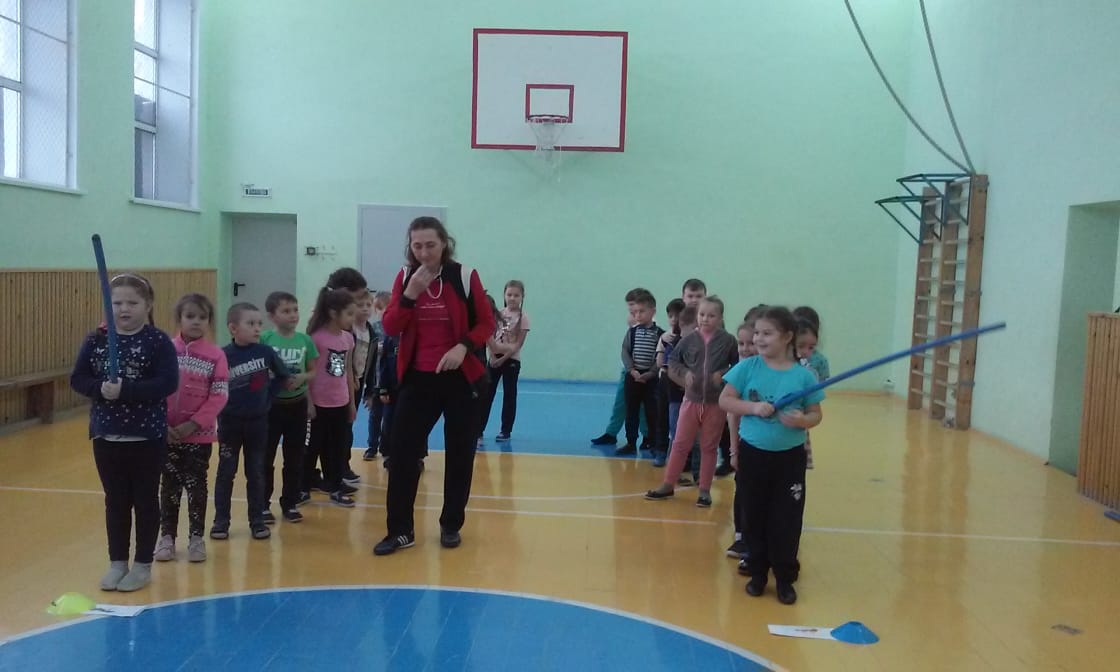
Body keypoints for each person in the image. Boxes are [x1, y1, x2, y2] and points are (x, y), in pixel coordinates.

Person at [374, 216, 496, 556]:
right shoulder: (405, 277)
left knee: (460, 454)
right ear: (410, 247)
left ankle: (451, 524)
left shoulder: (464, 276)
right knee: (401, 455)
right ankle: (400, 531)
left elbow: (486, 323)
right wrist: (410, 295)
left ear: (444, 243)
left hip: (461, 379)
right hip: (418, 379)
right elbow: (391, 326)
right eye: (417, 246)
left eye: (430, 244)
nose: (424, 252)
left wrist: (463, 347)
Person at [70, 273, 178, 592]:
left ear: (148, 305)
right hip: (107, 435)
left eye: (132, 302)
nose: (124, 309)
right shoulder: (96, 340)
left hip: (147, 437)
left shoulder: (157, 341)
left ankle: (142, 564)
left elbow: (167, 383)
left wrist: (126, 390)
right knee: (115, 501)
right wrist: (100, 388)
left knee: (145, 500)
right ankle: (117, 562)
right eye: (116, 303)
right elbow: (78, 378)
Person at [720, 306, 823, 605]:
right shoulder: (748, 368)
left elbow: (816, 414)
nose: (759, 339)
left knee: (786, 518)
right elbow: (725, 400)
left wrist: (802, 421)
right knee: (754, 515)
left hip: (789, 458)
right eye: (757, 333)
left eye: (767, 333)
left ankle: (784, 577)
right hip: (754, 455)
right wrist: (753, 407)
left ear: (787, 336)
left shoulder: (803, 376)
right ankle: (757, 572)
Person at [156, 294, 228, 564]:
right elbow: (154, 389)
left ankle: (196, 538)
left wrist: (193, 423)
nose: (196, 322)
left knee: (196, 485)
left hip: (199, 435)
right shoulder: (165, 350)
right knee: (169, 486)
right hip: (166, 435)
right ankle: (166, 538)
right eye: (190, 316)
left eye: (202, 317)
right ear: (179, 319)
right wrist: (162, 424)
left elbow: (219, 395)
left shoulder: (216, 355)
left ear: (209, 321)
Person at [645, 297, 737, 506]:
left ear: (720, 318)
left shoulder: (728, 341)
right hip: (691, 401)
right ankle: (668, 484)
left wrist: (724, 373)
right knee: (680, 443)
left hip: (715, 403)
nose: (705, 319)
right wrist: (684, 374)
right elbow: (672, 360)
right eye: (702, 314)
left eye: (711, 315)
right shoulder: (689, 339)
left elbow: (737, 366)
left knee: (709, 447)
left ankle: (704, 490)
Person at [212, 303, 291, 541]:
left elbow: (283, 376)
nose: (257, 328)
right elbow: (214, 385)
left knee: (256, 472)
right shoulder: (223, 355)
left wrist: (268, 396)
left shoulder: (265, 352)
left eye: (259, 324)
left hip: (258, 423)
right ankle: (221, 522)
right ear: (233, 328)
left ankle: (257, 521)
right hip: (229, 423)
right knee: (226, 472)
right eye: (251, 324)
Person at [261, 291, 318, 522]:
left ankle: (290, 502)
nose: (293, 315)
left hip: (297, 406)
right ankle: (263, 505)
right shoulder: (265, 339)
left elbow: (313, 371)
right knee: (265, 457)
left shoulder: (305, 340)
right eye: (286, 311)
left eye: (295, 310)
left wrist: (302, 378)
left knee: (294, 457)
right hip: (271, 407)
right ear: (272, 316)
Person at [304, 288, 358, 507]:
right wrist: (309, 402)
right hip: (318, 403)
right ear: (334, 313)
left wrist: (351, 403)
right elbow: (308, 372)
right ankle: (303, 487)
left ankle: (335, 487)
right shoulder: (315, 338)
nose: (352, 319)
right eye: (349, 314)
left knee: (337, 448)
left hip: (340, 402)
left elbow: (348, 370)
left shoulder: (348, 338)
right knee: (313, 447)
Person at [482, 280, 531, 442]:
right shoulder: (498, 314)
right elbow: (491, 336)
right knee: (487, 395)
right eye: (509, 295)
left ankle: (505, 430)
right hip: (494, 360)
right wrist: (492, 356)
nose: (512, 298)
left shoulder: (523, 318)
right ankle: (478, 430)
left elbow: (518, 345)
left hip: (511, 360)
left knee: (509, 395)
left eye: (516, 295)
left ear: (522, 297)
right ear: (504, 295)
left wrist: (503, 358)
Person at [616, 289, 663, 456]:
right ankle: (630, 442)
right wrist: (631, 369)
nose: (637, 315)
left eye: (642, 311)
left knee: (652, 411)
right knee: (631, 410)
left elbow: (661, 356)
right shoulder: (632, 332)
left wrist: (652, 372)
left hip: (650, 379)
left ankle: (653, 442)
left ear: (653, 311)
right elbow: (625, 351)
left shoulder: (660, 334)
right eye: (635, 312)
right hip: (633, 376)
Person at [652, 298, 685, 467]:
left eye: (677, 316)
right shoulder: (665, 337)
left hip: (679, 382)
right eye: (671, 316)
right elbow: (659, 363)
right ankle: (660, 451)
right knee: (662, 417)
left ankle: (678, 456)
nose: (674, 319)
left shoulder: (688, 338)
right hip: (665, 380)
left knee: (677, 421)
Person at [363, 291, 392, 461]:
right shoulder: (373, 328)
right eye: (380, 308)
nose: (383, 311)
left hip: (389, 381)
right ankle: (372, 446)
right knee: (374, 416)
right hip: (375, 380)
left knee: (388, 416)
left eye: (386, 307)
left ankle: (385, 447)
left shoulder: (395, 327)